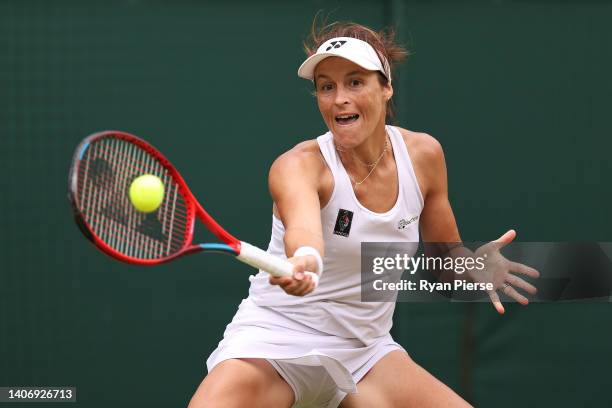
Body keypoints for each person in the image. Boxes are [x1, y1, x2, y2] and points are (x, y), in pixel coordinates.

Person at [188, 20, 538, 408]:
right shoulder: (298, 166)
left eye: (355, 82)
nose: (339, 98)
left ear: (386, 88)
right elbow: (304, 230)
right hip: (275, 341)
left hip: (365, 353)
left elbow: (445, 259)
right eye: (327, 86)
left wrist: (471, 268)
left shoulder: (423, 157)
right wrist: (306, 258)